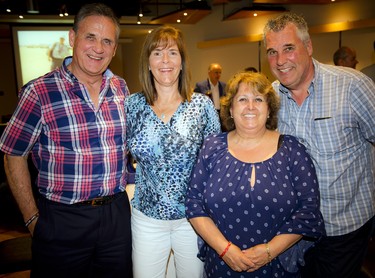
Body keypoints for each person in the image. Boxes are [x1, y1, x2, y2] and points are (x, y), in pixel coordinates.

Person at [0, 3, 132, 277]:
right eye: (90, 37)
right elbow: (13, 154)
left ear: (115, 49)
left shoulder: (121, 88)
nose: (98, 48)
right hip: (62, 220)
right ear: (72, 38)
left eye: (107, 41)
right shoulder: (39, 92)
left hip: (117, 219)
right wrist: (32, 219)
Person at [263, 12, 375, 278]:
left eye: (288, 48)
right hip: (292, 231)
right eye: (272, 52)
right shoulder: (270, 97)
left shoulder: (351, 86)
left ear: (309, 46)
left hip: (342, 228)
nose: (280, 61)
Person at [185, 71, 325, 277]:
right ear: (231, 109)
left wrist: (269, 251)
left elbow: (309, 210)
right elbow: (193, 203)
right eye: (242, 99)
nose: (250, 106)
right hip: (222, 265)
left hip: (279, 266)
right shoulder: (212, 147)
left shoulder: (292, 150)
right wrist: (225, 250)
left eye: (258, 99)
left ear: (269, 109)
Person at [125, 25, 221, 278]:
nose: (165, 60)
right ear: (147, 61)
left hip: (193, 219)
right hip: (146, 219)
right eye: (157, 53)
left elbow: (217, 163)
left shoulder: (202, 106)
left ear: (182, 61)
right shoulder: (132, 105)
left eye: (172, 53)